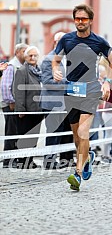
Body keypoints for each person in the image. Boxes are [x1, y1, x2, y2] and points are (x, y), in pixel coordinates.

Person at [52, 4, 112, 190]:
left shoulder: (99, 42)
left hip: (91, 90)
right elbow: (55, 60)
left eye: (84, 19)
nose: (80, 22)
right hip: (72, 90)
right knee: (76, 137)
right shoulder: (66, 39)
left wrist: (106, 82)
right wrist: (56, 71)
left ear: (90, 20)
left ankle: (77, 173)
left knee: (83, 132)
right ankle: (87, 157)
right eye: (77, 19)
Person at [40, 31, 75, 169]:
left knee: (65, 132)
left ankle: (64, 159)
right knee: (53, 132)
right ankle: (49, 161)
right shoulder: (49, 59)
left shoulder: (69, 59)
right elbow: (47, 82)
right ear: (56, 42)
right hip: (53, 103)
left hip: (67, 102)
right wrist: (68, 84)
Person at [14, 46, 44, 169]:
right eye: (30, 55)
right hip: (26, 110)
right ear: (25, 57)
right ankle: (22, 161)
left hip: (38, 110)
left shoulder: (40, 71)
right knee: (25, 136)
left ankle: (30, 159)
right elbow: (18, 92)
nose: (33, 58)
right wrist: (20, 109)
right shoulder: (22, 71)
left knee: (33, 137)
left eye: (35, 55)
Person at [1, 43, 28, 168]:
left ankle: (14, 159)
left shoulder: (22, 66)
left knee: (17, 131)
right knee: (11, 131)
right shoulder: (11, 66)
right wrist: (11, 101)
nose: (26, 53)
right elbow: (5, 86)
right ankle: (7, 160)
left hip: (18, 104)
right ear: (17, 52)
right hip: (10, 104)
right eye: (24, 51)